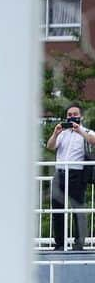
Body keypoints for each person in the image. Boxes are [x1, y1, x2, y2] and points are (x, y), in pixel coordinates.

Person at [45, 103, 94, 251]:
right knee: (57, 209)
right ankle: (59, 243)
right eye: (70, 115)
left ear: (81, 116)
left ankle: (79, 243)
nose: (72, 117)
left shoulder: (86, 131)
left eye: (75, 114)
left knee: (78, 208)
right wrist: (55, 133)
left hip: (77, 173)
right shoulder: (62, 133)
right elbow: (50, 146)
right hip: (60, 172)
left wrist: (80, 131)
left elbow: (93, 141)